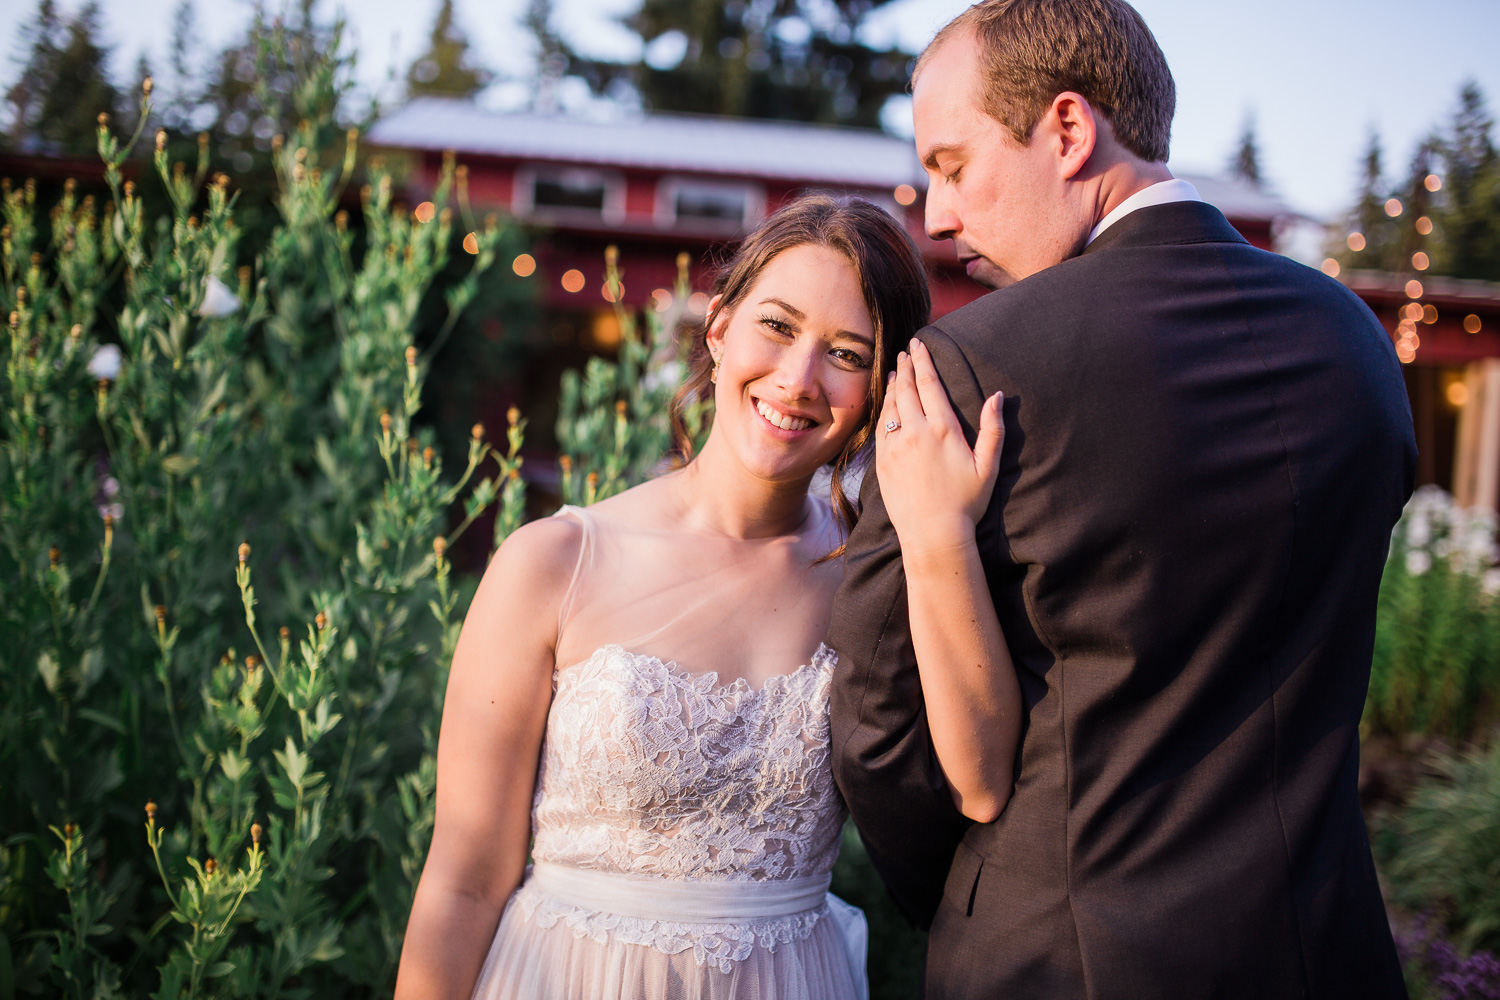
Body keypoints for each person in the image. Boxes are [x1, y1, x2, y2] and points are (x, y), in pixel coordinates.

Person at [828, 1, 1417, 998]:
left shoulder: (972, 370)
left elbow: (882, 718)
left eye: (953, 164)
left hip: (1059, 959)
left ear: (1067, 130)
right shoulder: (1355, 342)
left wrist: (980, 889)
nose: (936, 214)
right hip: (1323, 949)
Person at [393, 194, 1020, 1000]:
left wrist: (945, 535)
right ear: (719, 329)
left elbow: (982, 782)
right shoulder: (555, 561)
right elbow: (463, 882)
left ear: (880, 391)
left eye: (847, 353)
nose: (797, 380)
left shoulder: (882, 575)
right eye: (778, 326)